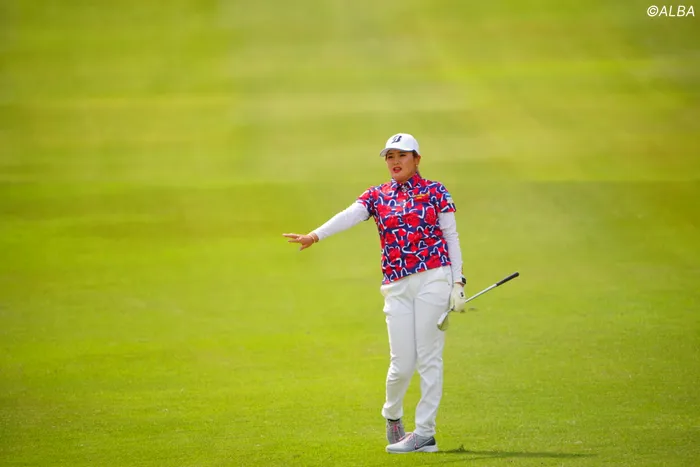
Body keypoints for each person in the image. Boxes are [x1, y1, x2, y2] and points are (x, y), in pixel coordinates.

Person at [283, 133, 467, 454]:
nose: (395, 161)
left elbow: (451, 236)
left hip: (434, 278)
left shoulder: (436, 191)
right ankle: (392, 415)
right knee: (401, 365)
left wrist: (457, 282)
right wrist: (315, 235)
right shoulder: (377, 196)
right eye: (389, 156)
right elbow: (349, 215)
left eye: (402, 155)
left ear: (417, 159)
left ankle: (425, 433)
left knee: (429, 358)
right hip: (396, 285)